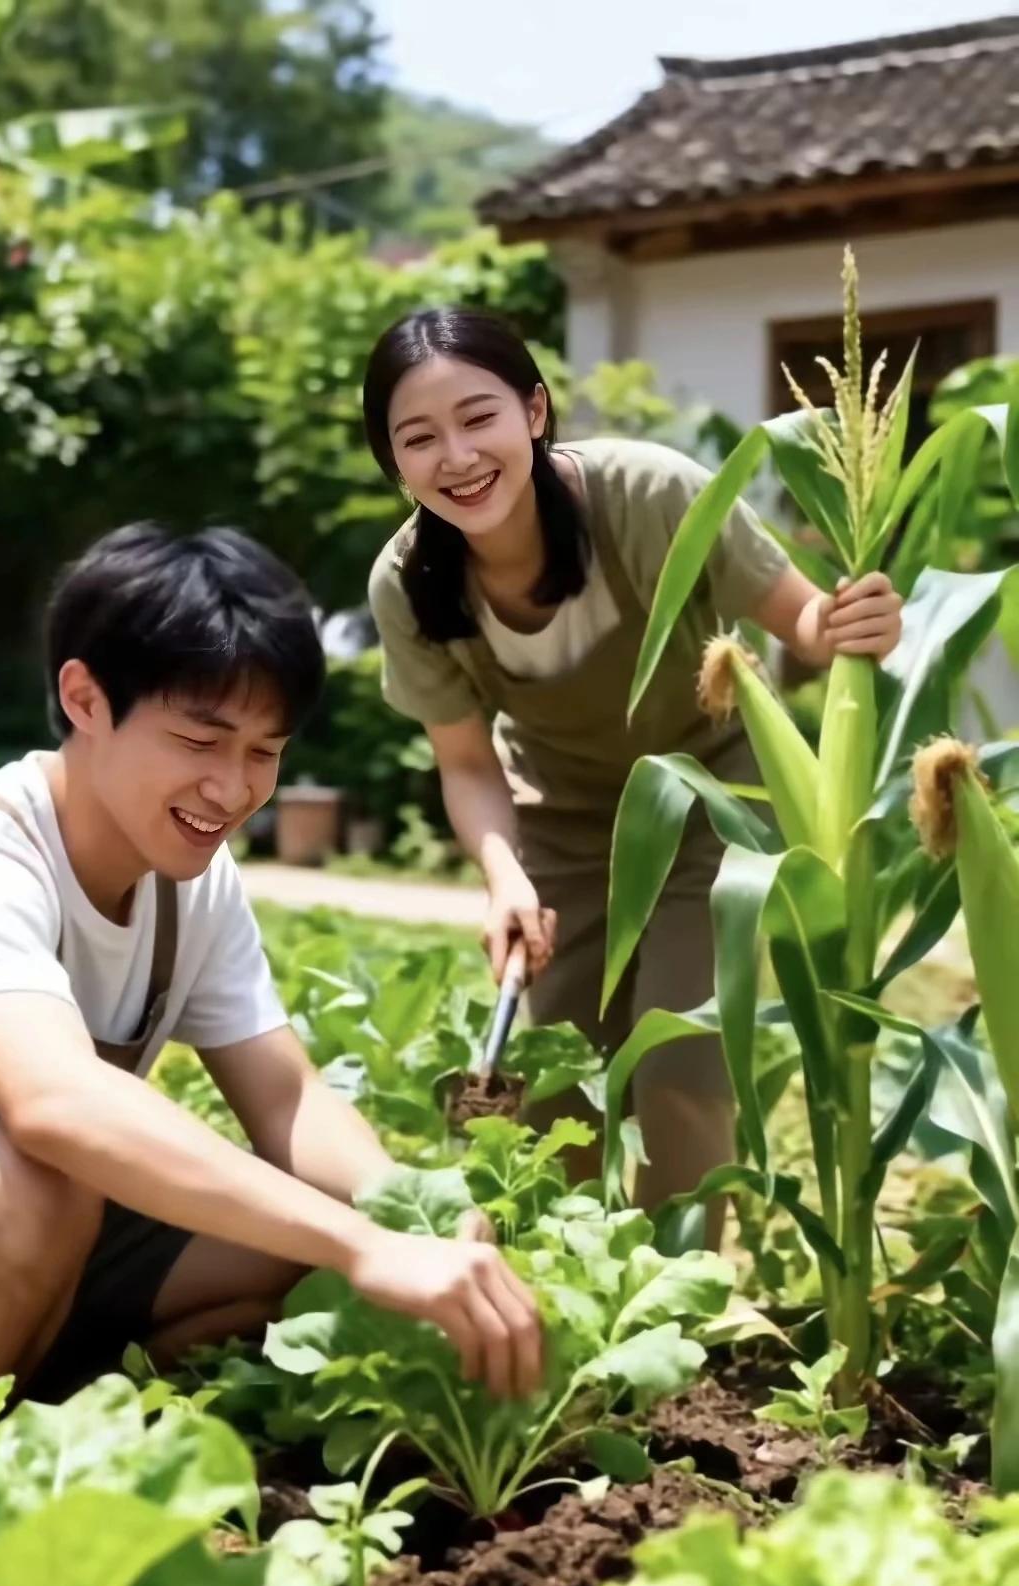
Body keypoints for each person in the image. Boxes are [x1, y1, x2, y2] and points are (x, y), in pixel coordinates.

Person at [0, 523, 542, 1429]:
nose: (234, 790)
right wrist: (362, 1247)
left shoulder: (188, 883)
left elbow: (285, 1102)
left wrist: (408, 1222)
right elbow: (58, 1106)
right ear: (85, 698)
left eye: (264, 753)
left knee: (291, 1243)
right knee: (33, 1183)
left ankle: (47, 1428)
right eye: (201, 740)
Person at [364, 308, 903, 1243]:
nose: (456, 455)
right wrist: (505, 880)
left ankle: (679, 1300)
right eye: (420, 437)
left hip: (714, 803)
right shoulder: (408, 582)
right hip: (564, 825)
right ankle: (570, 1280)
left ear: (534, 410)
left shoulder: (647, 494)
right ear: (393, 461)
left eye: (478, 416)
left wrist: (854, 622)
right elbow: (465, 760)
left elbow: (802, 621)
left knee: (680, 1061)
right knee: (555, 1072)